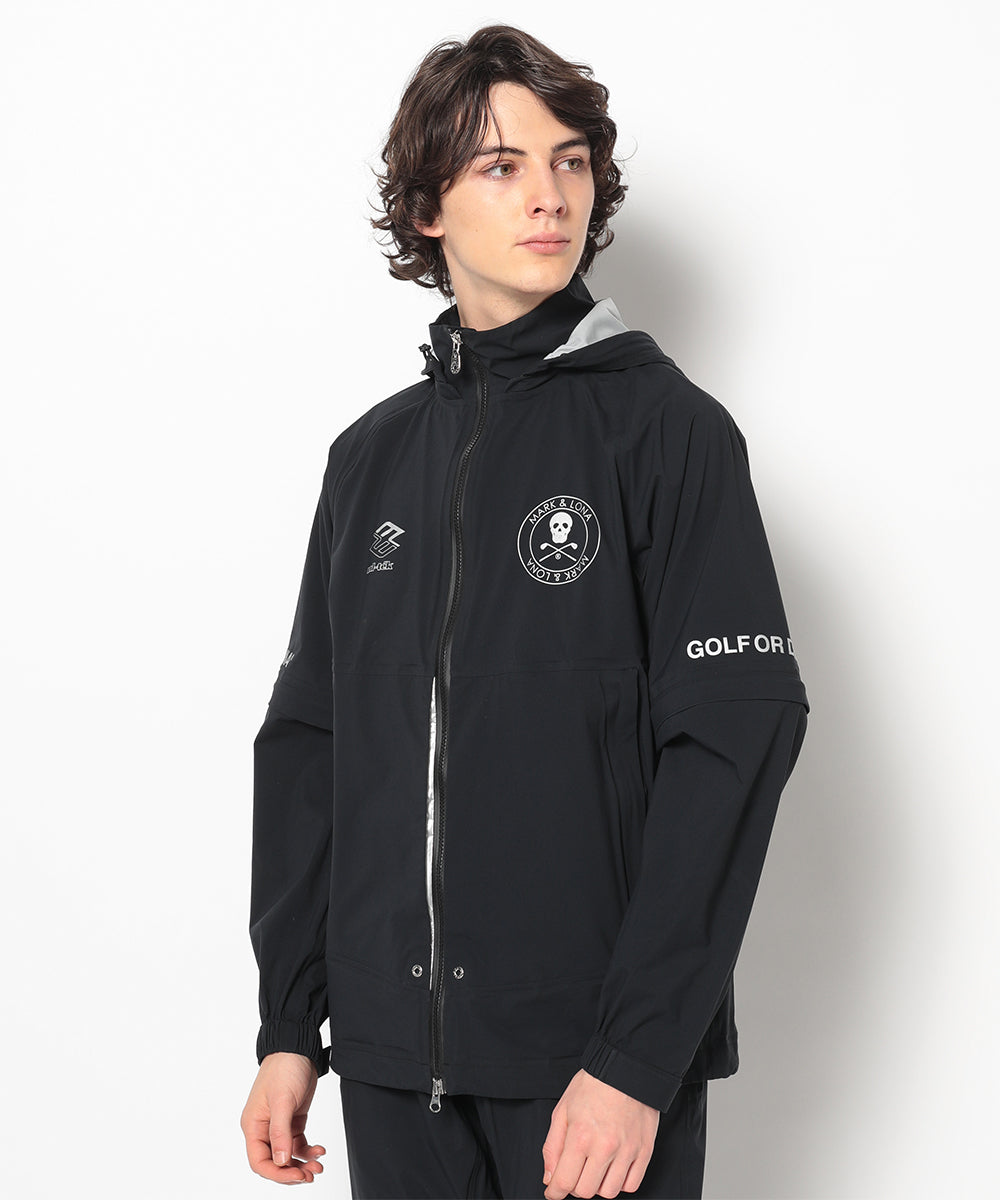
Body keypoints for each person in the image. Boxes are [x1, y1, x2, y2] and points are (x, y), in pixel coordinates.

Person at [239, 24, 808, 1200]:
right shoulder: (370, 460)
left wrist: (635, 1059)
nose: (549, 195)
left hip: (587, 1074)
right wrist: (291, 1025)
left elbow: (733, 744)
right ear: (426, 209)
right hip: (391, 1071)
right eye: (501, 165)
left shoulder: (670, 434)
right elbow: (311, 745)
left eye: (570, 161)